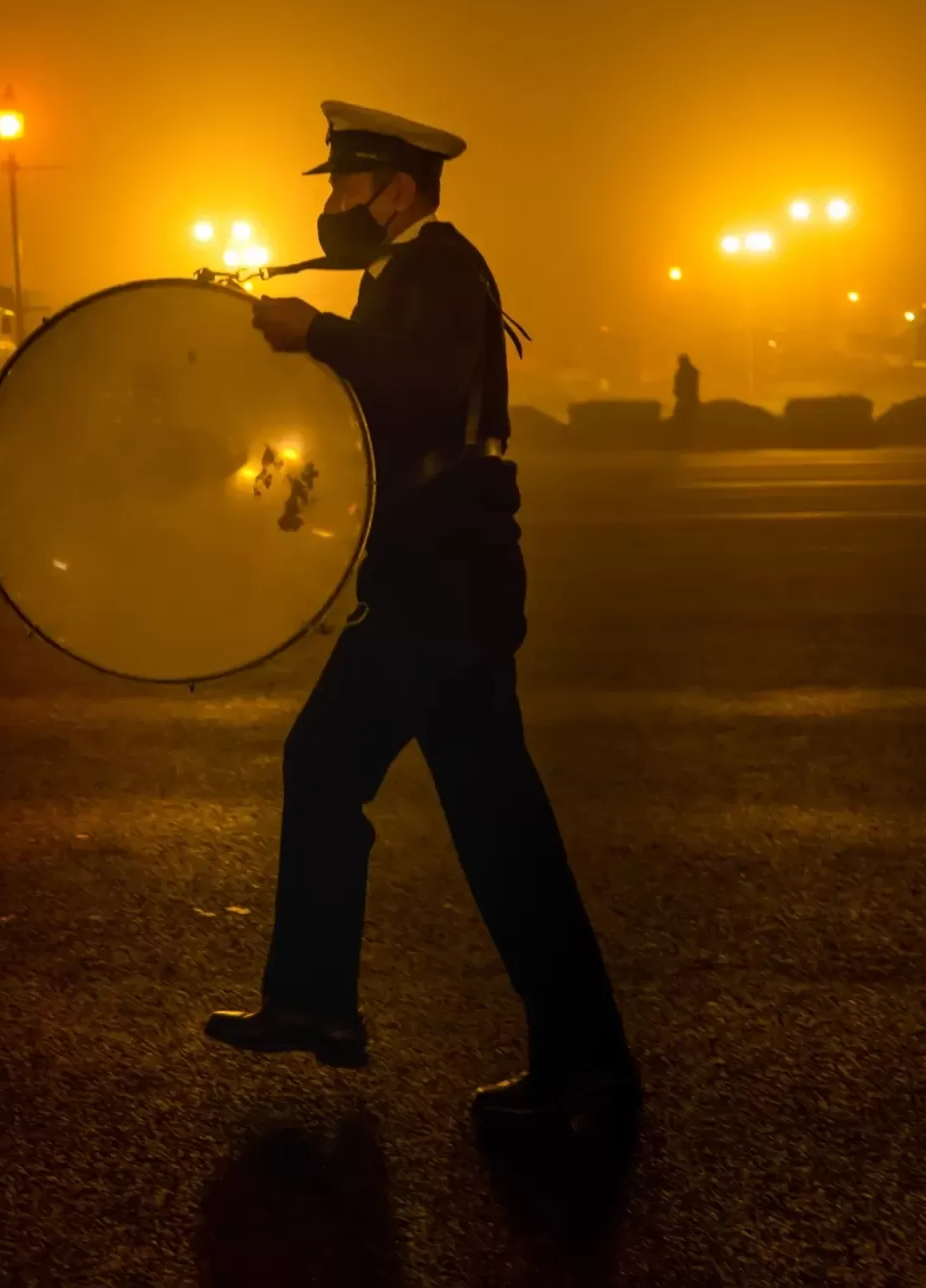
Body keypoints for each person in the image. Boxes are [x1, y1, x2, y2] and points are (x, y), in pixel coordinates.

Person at [204, 101, 640, 1140]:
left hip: (440, 585)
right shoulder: (410, 274)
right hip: (451, 580)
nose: (329, 205)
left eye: (344, 185)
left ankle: (315, 1002)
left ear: (396, 191)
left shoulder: (436, 270)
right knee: (502, 834)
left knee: (323, 763)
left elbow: (419, 387)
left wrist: (318, 335)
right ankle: (587, 1064)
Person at [671, 353, 700, 444]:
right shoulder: (689, 371)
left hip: (687, 400)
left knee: (684, 419)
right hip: (687, 399)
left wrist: (678, 391)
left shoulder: (686, 372)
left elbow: (686, 385)